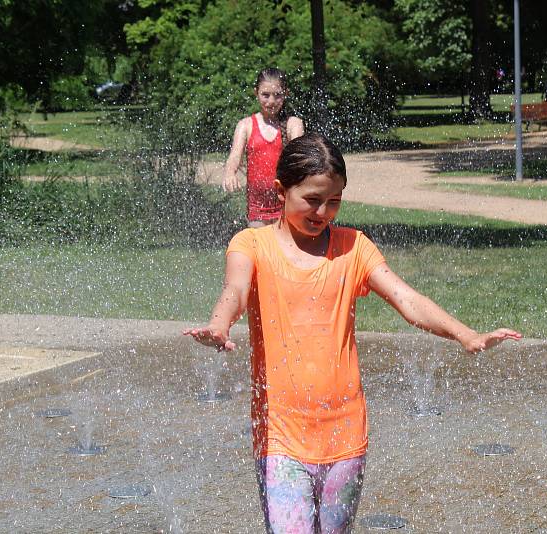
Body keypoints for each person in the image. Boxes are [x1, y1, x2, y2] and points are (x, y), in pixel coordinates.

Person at [184, 132, 522, 534]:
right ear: (280, 191)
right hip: (280, 437)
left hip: (345, 435)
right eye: (312, 199)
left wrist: (466, 334)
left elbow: (405, 298)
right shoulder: (252, 244)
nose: (323, 211)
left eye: (334, 201)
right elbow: (235, 290)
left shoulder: (354, 247)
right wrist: (219, 324)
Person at [223, 68, 305, 228]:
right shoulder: (245, 125)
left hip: (287, 205)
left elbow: (299, 158)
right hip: (257, 208)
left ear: (285, 93)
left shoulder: (293, 124)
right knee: (259, 250)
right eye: (265, 95)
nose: (271, 101)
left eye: (277, 95)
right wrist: (229, 173)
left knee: (283, 252)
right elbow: (234, 156)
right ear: (256, 93)